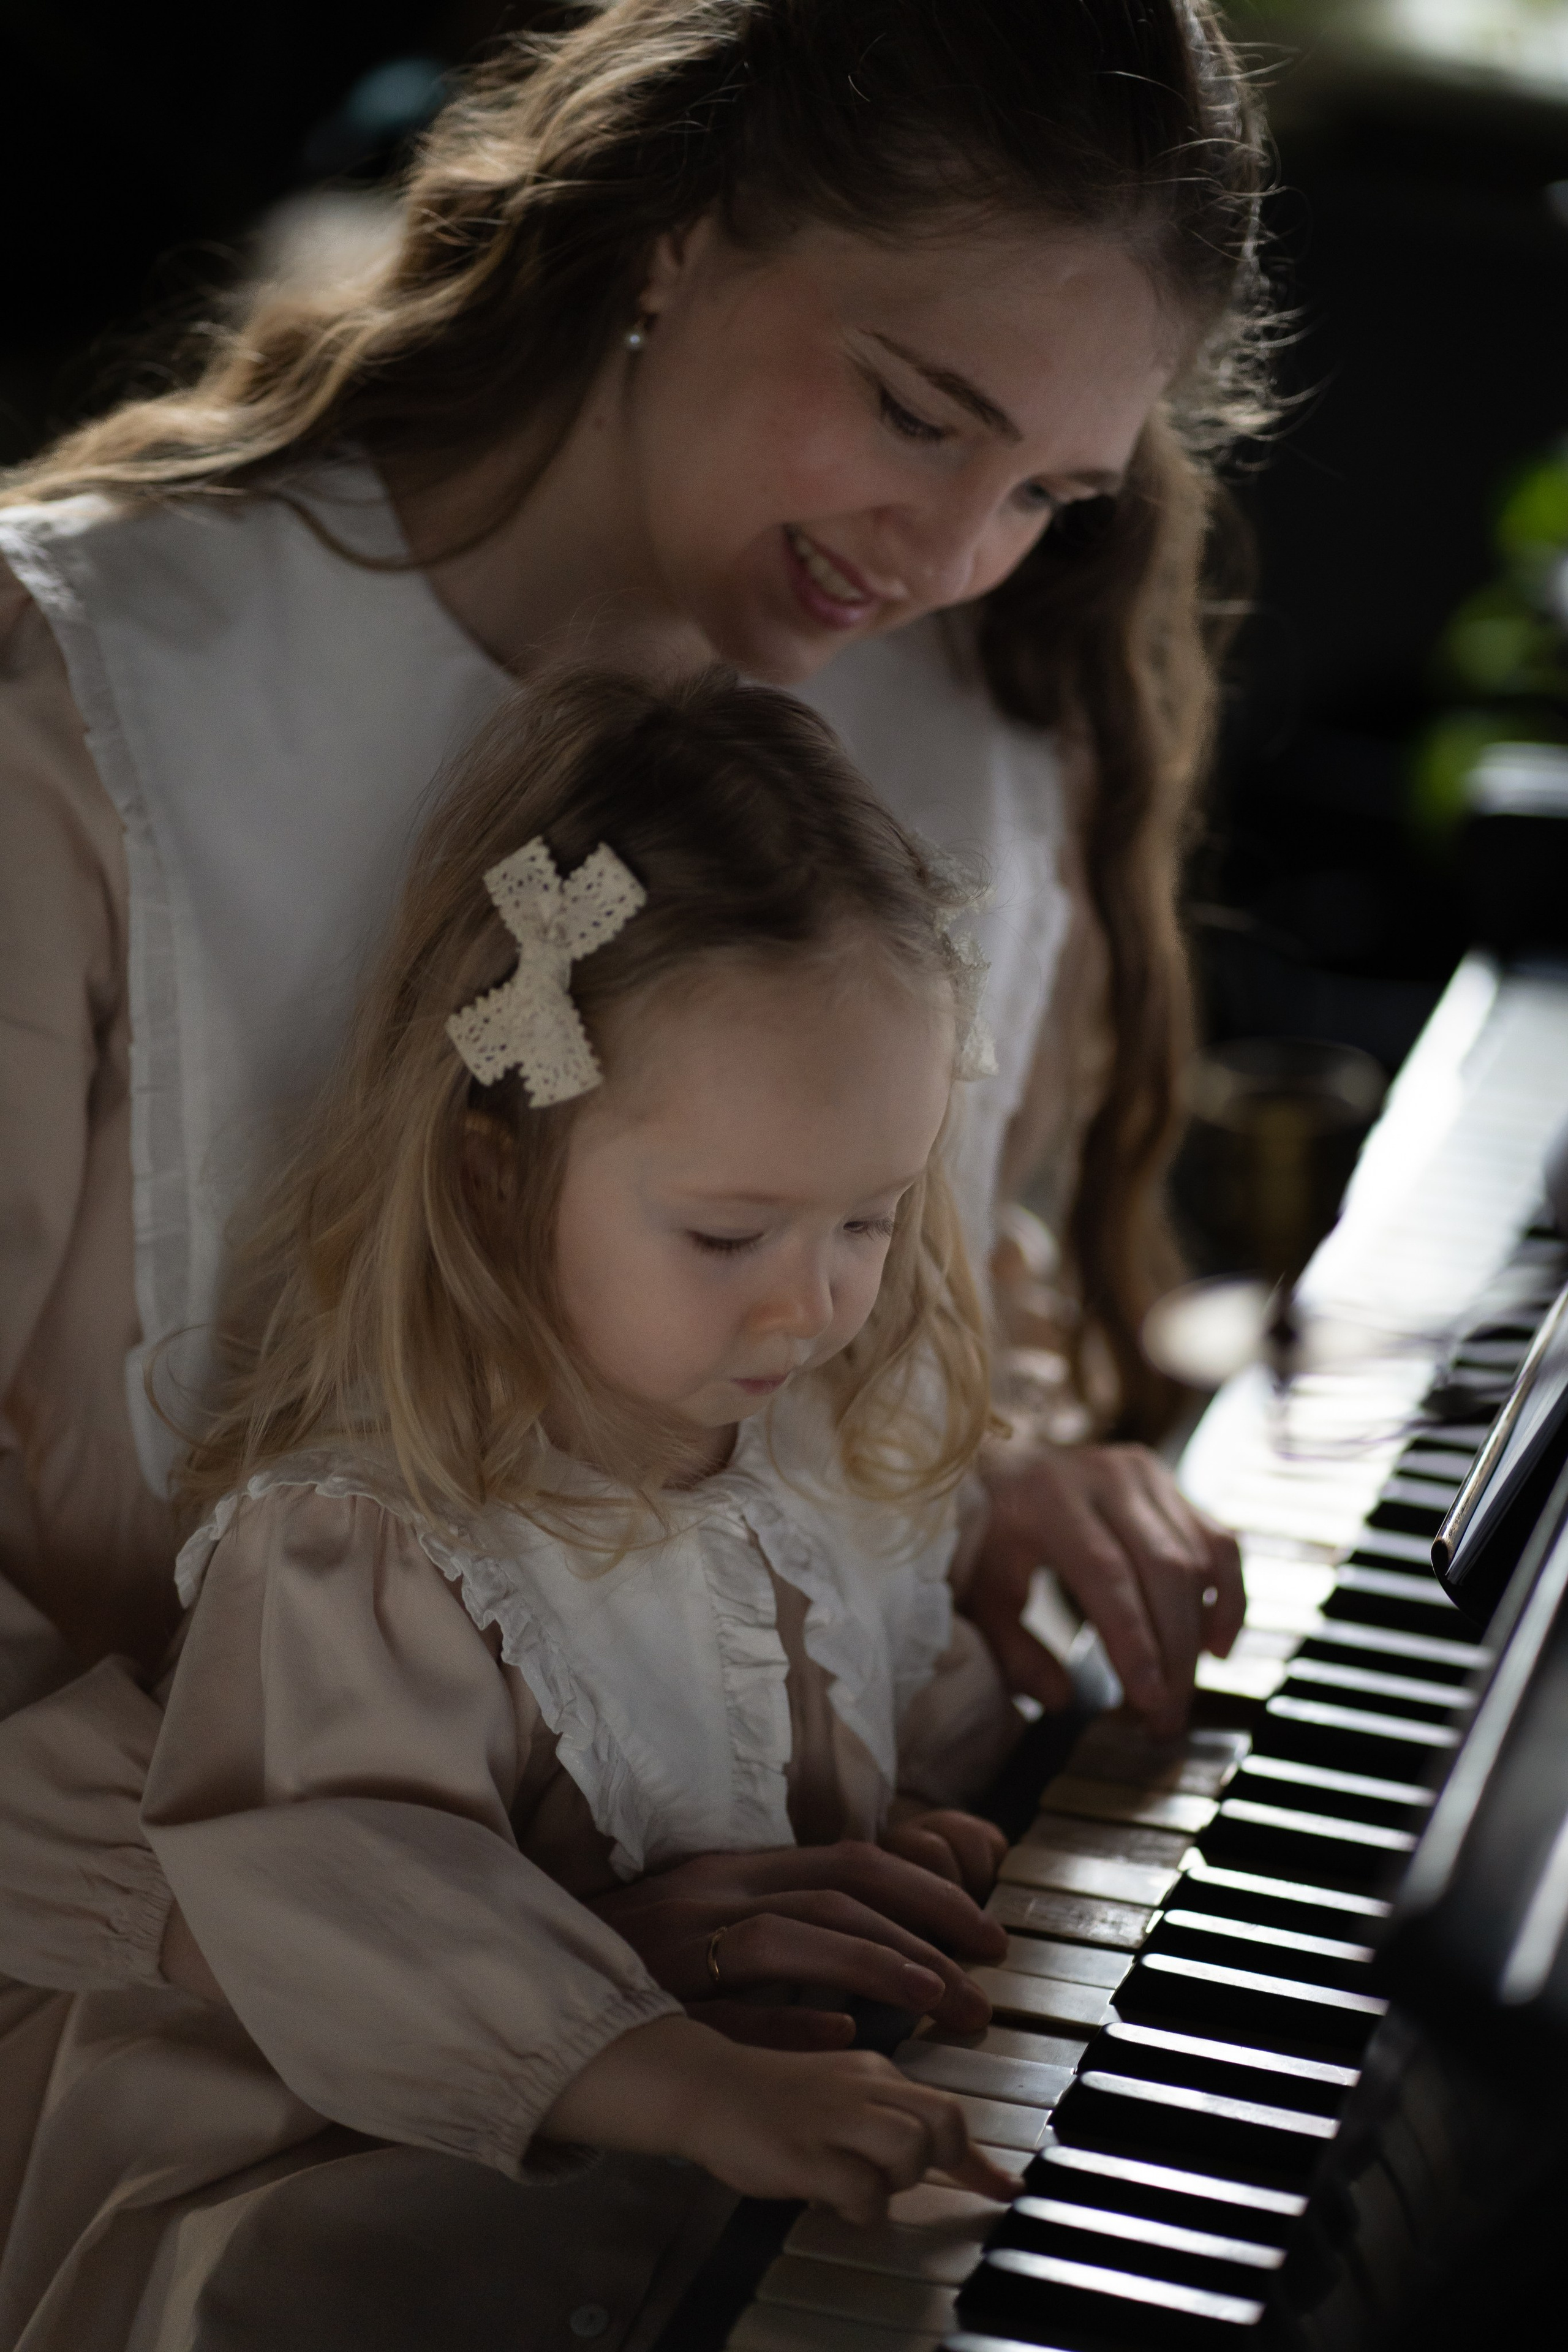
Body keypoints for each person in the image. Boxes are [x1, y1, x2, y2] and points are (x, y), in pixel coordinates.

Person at [0, 0, 1251, 2096]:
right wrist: (482, 1949)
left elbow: (903, 1290)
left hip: (827, 2020)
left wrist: (984, 1470)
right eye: (916, 410)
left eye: (1046, 488)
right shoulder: (94, 704)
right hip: (198, 2071)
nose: (952, 558)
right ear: (676, 229)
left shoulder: (962, 714)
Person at [1, 667, 1031, 2350]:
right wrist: (682, 2080)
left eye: (870, 1218)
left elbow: (889, 1678)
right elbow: (342, 1900)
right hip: (369, 2163)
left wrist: (910, 1836)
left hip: (725, 2145)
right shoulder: (379, 1544)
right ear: (500, 1168)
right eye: (727, 1236)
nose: (813, 1308)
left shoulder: (819, 1437)